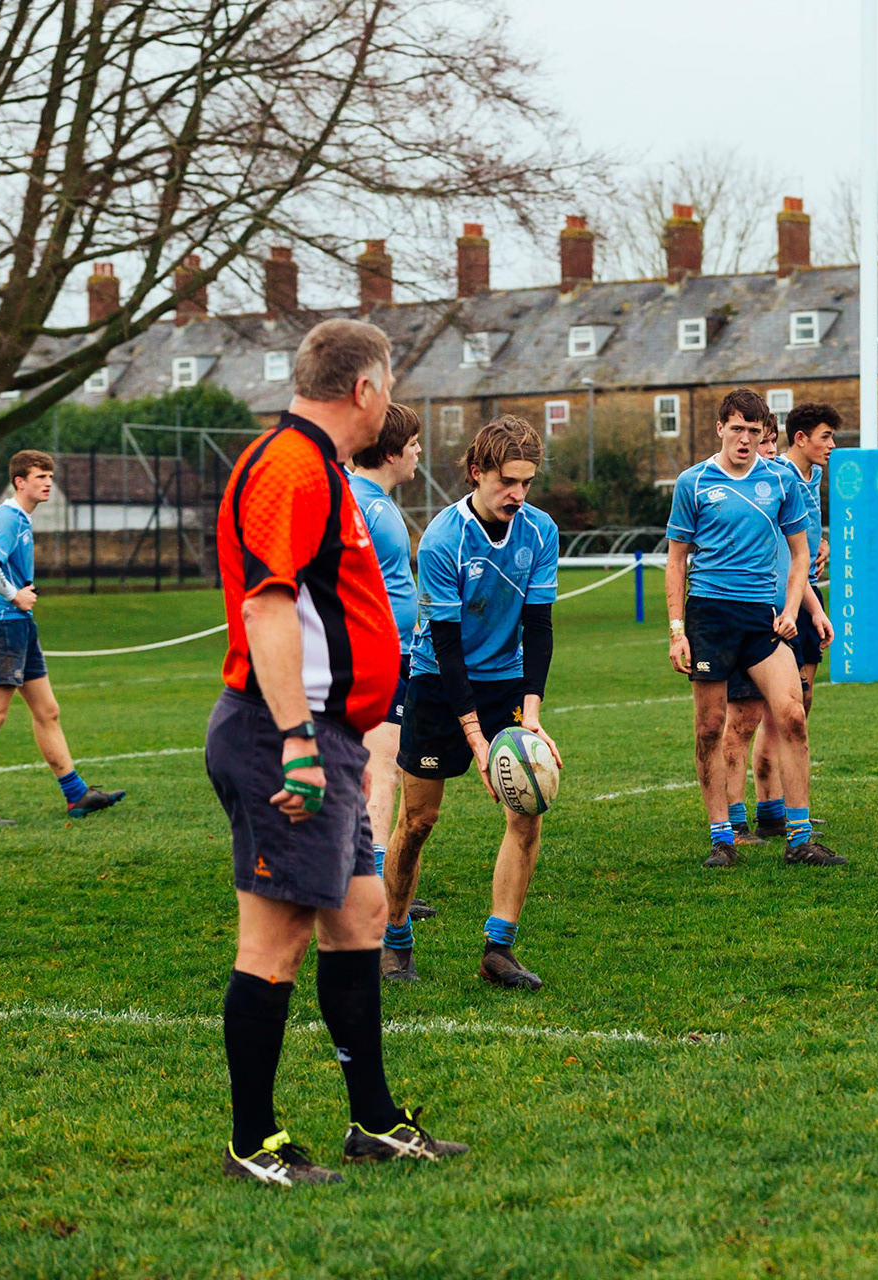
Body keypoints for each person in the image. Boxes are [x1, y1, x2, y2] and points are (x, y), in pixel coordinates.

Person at [206, 319, 465, 1186]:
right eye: (390, 387)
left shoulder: (319, 468)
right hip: (287, 735)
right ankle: (253, 1144)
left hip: (331, 737)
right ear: (364, 390)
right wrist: (295, 742)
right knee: (273, 942)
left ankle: (374, 1123)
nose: (391, 403)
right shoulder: (289, 467)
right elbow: (267, 607)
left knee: (357, 918)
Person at [381, 415, 562, 991]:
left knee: (527, 810)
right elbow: (447, 644)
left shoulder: (540, 532)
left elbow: (539, 627)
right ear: (477, 472)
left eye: (527, 482)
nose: (518, 494)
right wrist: (476, 738)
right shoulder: (442, 539)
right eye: (508, 481)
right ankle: (394, 937)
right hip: (439, 683)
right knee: (418, 821)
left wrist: (531, 715)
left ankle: (498, 948)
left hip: (506, 684)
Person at [666, 387, 843, 869]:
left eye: (754, 431)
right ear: (720, 428)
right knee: (710, 728)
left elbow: (800, 553)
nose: (744, 439)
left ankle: (799, 839)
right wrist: (678, 630)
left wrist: (791, 609)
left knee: (793, 714)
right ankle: (722, 838)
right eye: (736, 429)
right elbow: (676, 561)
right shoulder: (693, 482)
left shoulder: (780, 480)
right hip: (709, 616)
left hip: (762, 617)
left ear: (765, 433)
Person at [0, 450, 127, 825]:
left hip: (19, 625)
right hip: (4, 624)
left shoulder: (21, 518)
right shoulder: (8, 518)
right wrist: (14, 594)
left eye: (50, 476)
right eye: (40, 477)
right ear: (20, 482)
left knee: (47, 711)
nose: (48, 483)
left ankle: (77, 796)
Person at [345, 403, 436, 956]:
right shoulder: (371, 508)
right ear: (391, 450)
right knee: (383, 766)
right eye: (414, 443)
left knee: (382, 766)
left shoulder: (362, 498)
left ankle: (375, 873)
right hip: (381, 655)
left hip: (389, 651)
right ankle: (377, 882)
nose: (419, 452)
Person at [722, 412, 832, 846]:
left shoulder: (786, 487)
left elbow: (795, 561)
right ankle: (733, 823)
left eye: (769, 441)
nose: (768, 450)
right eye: (759, 441)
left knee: (789, 712)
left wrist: (813, 608)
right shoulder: (739, 493)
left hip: (785, 611)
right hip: (744, 615)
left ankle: (775, 814)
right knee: (741, 719)